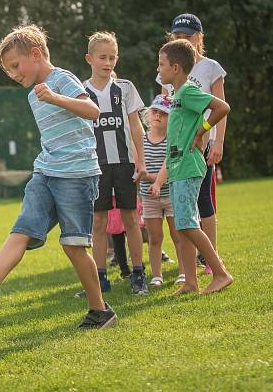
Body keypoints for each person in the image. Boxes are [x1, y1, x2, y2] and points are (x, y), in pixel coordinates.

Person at [0, 24, 116, 329]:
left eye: (15, 66)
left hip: (77, 174)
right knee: (24, 226)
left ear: (36, 54)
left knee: (73, 246)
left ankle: (100, 310)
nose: (13, 74)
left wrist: (56, 97)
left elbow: (92, 111)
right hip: (45, 170)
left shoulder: (62, 79)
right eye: (8, 70)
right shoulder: (32, 96)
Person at [151, 39, 233, 294]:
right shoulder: (176, 96)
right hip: (177, 168)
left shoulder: (187, 91)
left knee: (186, 224)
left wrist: (202, 132)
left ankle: (220, 273)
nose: (158, 69)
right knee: (183, 225)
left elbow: (222, 107)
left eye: (161, 64)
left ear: (175, 68)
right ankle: (190, 282)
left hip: (189, 166)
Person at [79, 31, 148, 297]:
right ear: (90, 59)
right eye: (102, 57)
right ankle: (99, 279)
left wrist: (140, 160)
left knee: (131, 218)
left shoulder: (126, 88)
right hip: (97, 167)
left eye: (112, 57)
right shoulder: (81, 92)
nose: (108, 62)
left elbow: (135, 125)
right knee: (98, 222)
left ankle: (137, 274)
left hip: (125, 164)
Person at [140, 94, 183, 287]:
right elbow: (139, 169)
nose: (158, 116)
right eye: (155, 111)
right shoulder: (140, 141)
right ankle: (157, 275)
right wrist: (150, 180)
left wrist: (155, 181)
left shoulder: (172, 140)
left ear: (171, 117)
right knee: (154, 238)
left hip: (171, 194)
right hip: (149, 198)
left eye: (164, 113)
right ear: (148, 115)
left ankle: (184, 272)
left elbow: (171, 165)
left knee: (178, 236)